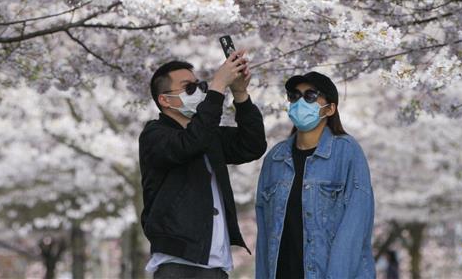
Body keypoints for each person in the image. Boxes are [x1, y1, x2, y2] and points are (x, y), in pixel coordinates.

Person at [139, 50, 267, 278]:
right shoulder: (154, 135)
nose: (198, 92)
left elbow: (252, 145)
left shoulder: (209, 136)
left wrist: (240, 94)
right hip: (178, 263)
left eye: (201, 86)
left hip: (216, 264)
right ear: (165, 100)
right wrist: (217, 86)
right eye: (189, 88)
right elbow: (190, 143)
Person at [255, 71, 375, 279]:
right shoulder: (274, 158)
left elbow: (355, 226)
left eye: (310, 95)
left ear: (330, 109)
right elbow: (264, 234)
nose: (300, 101)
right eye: (294, 96)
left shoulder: (347, 152)